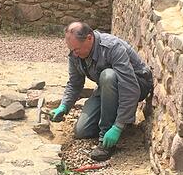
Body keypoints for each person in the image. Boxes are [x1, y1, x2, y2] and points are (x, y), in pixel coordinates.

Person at [50, 22, 153, 161]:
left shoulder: (111, 47)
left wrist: (118, 126)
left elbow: (130, 88)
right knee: (82, 131)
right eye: (72, 49)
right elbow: (75, 84)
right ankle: (115, 116)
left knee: (108, 75)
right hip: (108, 87)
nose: (74, 53)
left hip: (137, 85)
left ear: (89, 38)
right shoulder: (75, 54)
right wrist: (64, 106)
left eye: (77, 49)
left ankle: (106, 140)